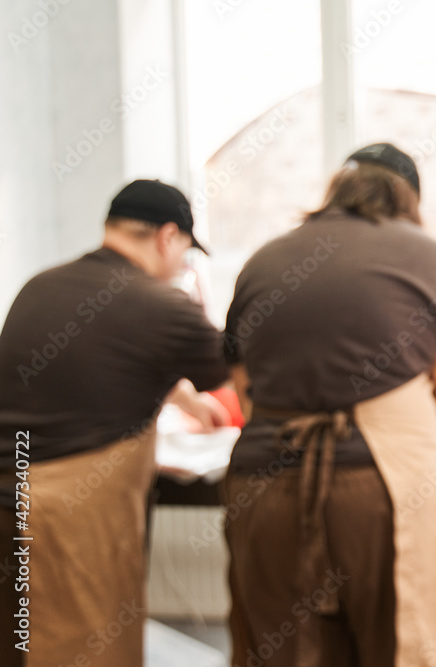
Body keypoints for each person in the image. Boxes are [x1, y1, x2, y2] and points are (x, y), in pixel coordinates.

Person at [222, 143, 436, 667]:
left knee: (283, 653)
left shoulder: (263, 259)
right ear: (410, 198)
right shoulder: (424, 254)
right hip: (378, 491)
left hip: (262, 487)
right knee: (402, 645)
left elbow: (246, 391)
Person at [0, 179, 230, 666]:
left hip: (11, 502)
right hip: (66, 519)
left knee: (21, 645)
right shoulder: (158, 303)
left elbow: (107, 356)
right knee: (79, 648)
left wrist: (185, 399)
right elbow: (232, 362)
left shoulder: (42, 286)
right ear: (168, 236)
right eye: (186, 253)